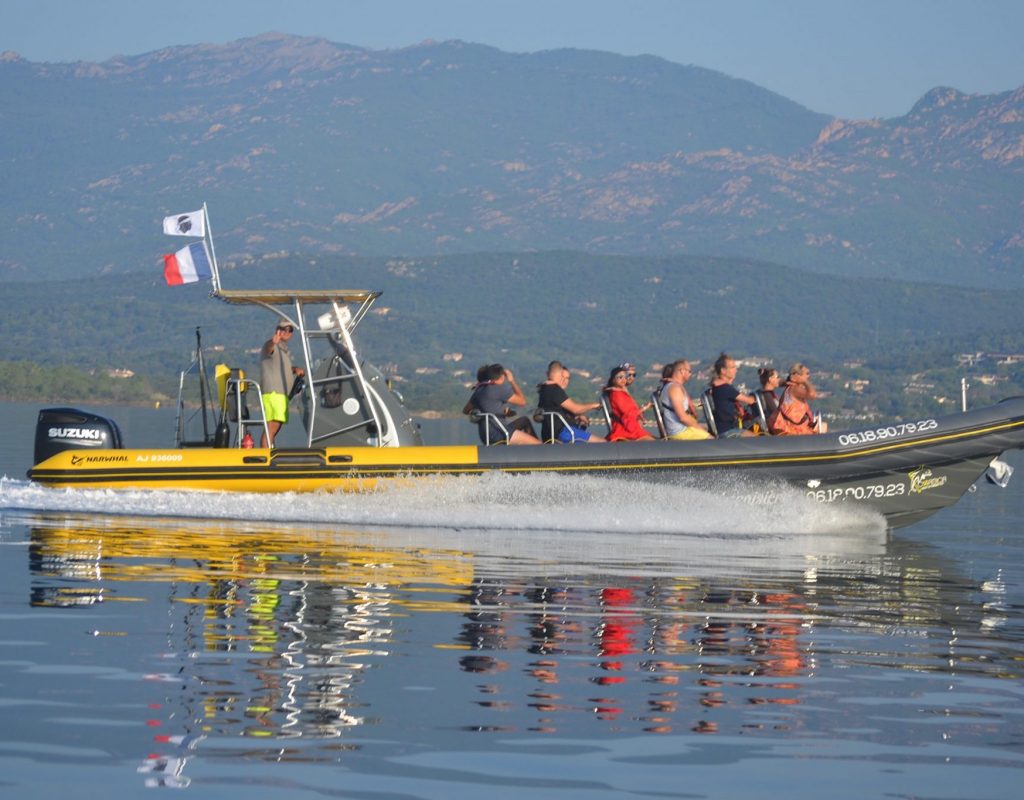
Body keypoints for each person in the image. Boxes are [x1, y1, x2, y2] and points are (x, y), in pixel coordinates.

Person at [465, 363, 540, 445]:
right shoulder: (499, 388)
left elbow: (466, 410)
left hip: (484, 435)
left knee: (524, 420)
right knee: (538, 444)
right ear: (502, 376)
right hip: (500, 433)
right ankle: (540, 451)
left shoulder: (478, 390)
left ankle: (530, 451)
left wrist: (485, 410)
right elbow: (522, 401)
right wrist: (512, 381)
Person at [259, 319, 305, 447]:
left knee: (276, 427)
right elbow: (269, 349)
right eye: (283, 329)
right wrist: (272, 342)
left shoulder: (283, 350)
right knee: (272, 426)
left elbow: (280, 367)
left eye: (290, 330)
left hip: (282, 394)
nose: (286, 332)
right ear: (277, 330)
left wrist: (294, 369)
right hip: (274, 393)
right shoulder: (273, 345)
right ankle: (265, 457)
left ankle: (269, 452)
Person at [536, 361, 606, 443]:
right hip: (563, 432)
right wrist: (594, 405)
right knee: (602, 442)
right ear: (561, 375)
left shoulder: (544, 389)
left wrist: (576, 417)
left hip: (548, 433)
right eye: (564, 377)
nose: (565, 380)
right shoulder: (555, 390)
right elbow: (576, 409)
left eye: (568, 378)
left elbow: (556, 410)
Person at [660, 360, 712, 440]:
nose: (690, 374)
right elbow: (683, 418)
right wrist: (701, 430)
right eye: (689, 371)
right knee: (712, 439)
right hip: (680, 432)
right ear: (682, 371)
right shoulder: (675, 388)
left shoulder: (674, 386)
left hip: (682, 429)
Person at [709, 353, 756, 438]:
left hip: (724, 428)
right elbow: (750, 401)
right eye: (732, 367)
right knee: (755, 439)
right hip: (727, 430)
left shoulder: (719, 386)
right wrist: (756, 397)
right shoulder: (725, 388)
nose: (736, 370)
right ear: (723, 370)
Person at [769, 363, 823, 435]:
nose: (809, 376)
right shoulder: (794, 389)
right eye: (807, 373)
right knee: (821, 427)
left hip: (789, 426)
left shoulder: (791, 388)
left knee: (823, 426)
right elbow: (813, 395)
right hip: (790, 429)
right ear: (799, 376)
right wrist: (804, 381)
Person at [604, 365, 655, 441]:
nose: (623, 379)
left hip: (632, 427)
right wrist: (644, 408)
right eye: (620, 377)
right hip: (624, 430)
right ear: (613, 380)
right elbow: (628, 414)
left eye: (625, 377)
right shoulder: (617, 394)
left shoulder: (621, 393)